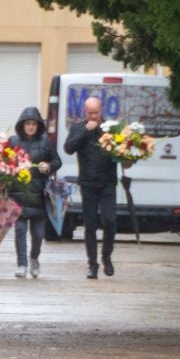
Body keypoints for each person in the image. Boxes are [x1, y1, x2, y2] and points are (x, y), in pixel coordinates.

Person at [62, 95, 118, 279]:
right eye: (90, 113)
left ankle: (106, 256)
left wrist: (127, 160)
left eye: (96, 112)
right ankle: (92, 264)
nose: (93, 116)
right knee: (90, 225)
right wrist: (86, 130)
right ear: (85, 113)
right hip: (88, 183)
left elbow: (121, 150)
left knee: (109, 220)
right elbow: (68, 148)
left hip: (108, 182)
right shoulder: (79, 127)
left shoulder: (110, 128)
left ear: (101, 111)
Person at [8, 106, 61, 279]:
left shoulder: (45, 141)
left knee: (38, 234)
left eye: (34, 124)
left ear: (38, 126)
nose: (30, 127)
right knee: (20, 232)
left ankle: (34, 258)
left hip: (39, 196)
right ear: (21, 125)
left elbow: (57, 161)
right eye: (27, 124)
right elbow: (4, 161)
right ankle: (21, 264)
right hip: (18, 194)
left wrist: (49, 166)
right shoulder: (13, 141)